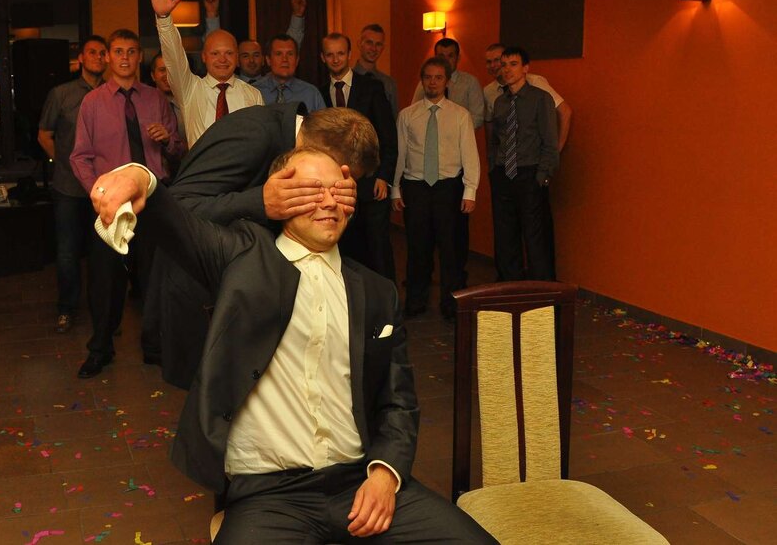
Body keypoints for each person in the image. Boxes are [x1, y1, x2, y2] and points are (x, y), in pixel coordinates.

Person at [90, 149, 497, 544]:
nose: (328, 202)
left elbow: (399, 402)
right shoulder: (242, 259)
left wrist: (385, 474)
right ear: (281, 196)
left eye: (337, 191)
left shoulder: (377, 292)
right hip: (269, 495)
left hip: (359, 481)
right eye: (311, 190)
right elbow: (173, 220)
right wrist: (138, 176)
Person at [142, 104, 371, 389]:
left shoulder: (298, 139)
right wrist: (260, 201)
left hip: (253, 295)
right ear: (322, 154)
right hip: (205, 297)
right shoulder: (253, 133)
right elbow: (175, 208)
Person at [69, 28, 181, 378]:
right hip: (111, 204)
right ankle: (100, 349)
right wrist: (99, 194)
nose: (125, 58)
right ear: (108, 57)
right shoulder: (93, 102)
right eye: (118, 51)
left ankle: (155, 347)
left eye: (132, 51)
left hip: (153, 199)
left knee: (154, 277)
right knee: (105, 279)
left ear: (139, 57)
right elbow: (79, 156)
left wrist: (168, 139)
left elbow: (178, 148)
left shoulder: (155, 99)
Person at [393, 57, 480, 321]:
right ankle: (416, 301)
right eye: (428, 77)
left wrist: (470, 191)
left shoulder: (460, 115)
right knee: (417, 247)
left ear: (447, 82)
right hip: (416, 187)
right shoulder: (407, 115)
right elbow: (400, 153)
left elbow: (470, 155)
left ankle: (451, 304)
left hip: (448, 188)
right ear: (422, 80)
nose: (433, 82)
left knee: (451, 249)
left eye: (438, 77)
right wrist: (395, 188)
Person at [38, 35, 108, 333]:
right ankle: (67, 309)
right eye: (92, 52)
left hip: (103, 186)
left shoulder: (112, 93)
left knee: (102, 251)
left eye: (102, 53)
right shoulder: (61, 94)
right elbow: (44, 135)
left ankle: (103, 311)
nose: (98, 57)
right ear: (81, 58)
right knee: (68, 251)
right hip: (68, 185)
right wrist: (65, 164)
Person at [146, 0, 263, 147]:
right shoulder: (190, 89)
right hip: (203, 165)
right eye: (215, 54)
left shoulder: (253, 95)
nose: (222, 59)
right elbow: (174, 57)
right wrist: (164, 19)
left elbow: (261, 140)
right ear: (204, 57)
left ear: (237, 58)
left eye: (229, 53)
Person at [320, 32, 397, 282]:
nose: (335, 59)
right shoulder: (318, 92)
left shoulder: (372, 88)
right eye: (330, 54)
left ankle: (389, 303)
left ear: (349, 54)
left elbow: (388, 137)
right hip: (336, 188)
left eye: (340, 53)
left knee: (378, 250)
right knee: (345, 252)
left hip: (372, 184)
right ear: (323, 57)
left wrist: (384, 176)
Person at [412, 37, 484, 289]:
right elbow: (414, 120)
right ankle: (421, 284)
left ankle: (454, 289)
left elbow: (477, 118)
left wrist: (451, 129)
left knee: (453, 240)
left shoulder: (468, 89)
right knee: (421, 239)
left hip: (453, 172)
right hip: (421, 176)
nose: (433, 81)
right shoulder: (422, 90)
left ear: (457, 58)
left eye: (449, 55)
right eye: (440, 55)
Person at [487, 47, 559, 281]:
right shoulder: (500, 102)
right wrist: (493, 169)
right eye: (504, 65)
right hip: (503, 174)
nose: (507, 69)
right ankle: (510, 288)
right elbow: (495, 140)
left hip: (530, 174)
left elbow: (550, 140)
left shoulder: (540, 98)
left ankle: (541, 292)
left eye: (513, 64)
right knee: (505, 236)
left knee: (536, 239)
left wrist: (543, 175)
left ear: (526, 68)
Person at [483, 43, 572, 152]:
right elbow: (491, 126)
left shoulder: (536, 83)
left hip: (534, 156)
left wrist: (556, 151)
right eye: (489, 62)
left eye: (497, 60)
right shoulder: (488, 91)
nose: (493, 65)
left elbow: (565, 111)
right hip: (506, 157)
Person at [253, 34, 325, 111]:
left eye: (290, 54)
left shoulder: (311, 94)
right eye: (278, 54)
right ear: (268, 60)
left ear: (297, 60)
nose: (285, 59)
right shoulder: (253, 91)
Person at [353, 23, 399, 118]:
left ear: (383, 48)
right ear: (359, 44)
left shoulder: (389, 84)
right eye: (369, 43)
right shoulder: (347, 79)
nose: (373, 48)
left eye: (378, 44)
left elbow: (394, 119)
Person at [149, 51, 189, 158]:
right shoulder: (144, 105)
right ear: (153, 76)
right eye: (162, 70)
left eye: (171, 70)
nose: (167, 75)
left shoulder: (190, 104)